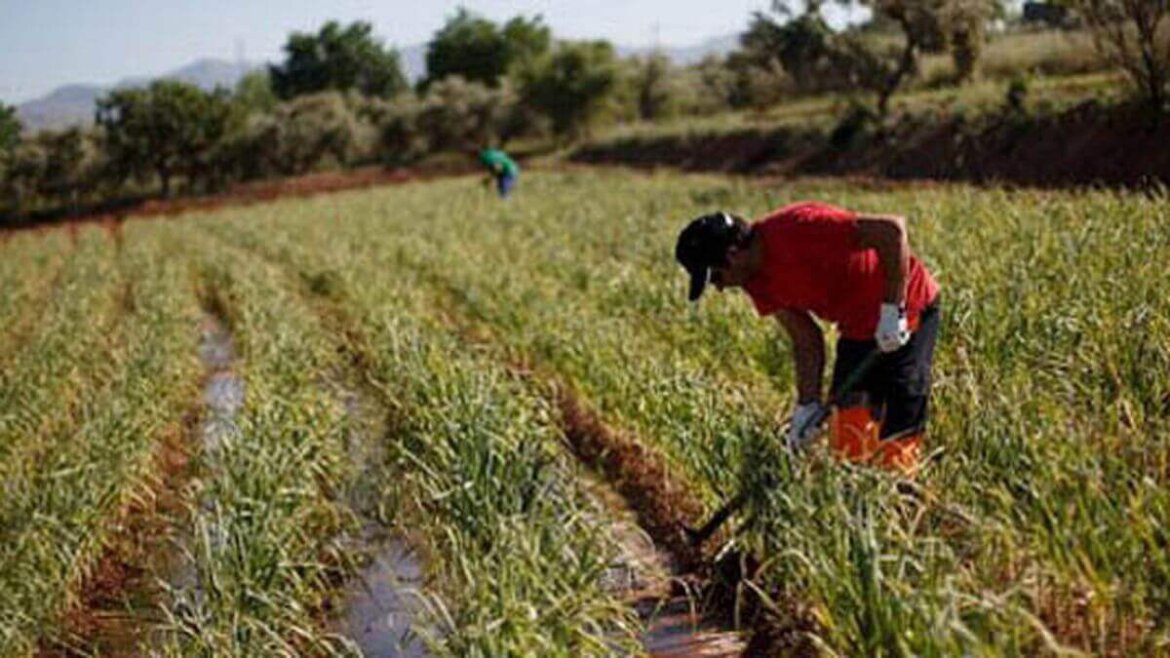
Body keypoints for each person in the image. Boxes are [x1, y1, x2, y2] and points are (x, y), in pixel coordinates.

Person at [674, 202, 940, 475]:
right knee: (848, 442)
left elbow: (891, 231)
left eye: (715, 277)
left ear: (733, 255)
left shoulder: (800, 229)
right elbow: (805, 338)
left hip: (910, 308)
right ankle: (861, 494)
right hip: (857, 329)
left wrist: (893, 309)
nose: (719, 288)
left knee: (899, 425)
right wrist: (807, 405)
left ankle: (902, 488)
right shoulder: (755, 281)